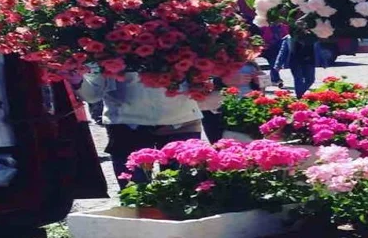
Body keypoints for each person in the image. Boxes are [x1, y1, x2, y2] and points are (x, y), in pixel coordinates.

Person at [67, 68, 203, 187]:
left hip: (182, 122)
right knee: (135, 193)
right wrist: (77, 80)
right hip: (127, 124)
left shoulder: (186, 41)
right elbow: (92, 95)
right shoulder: (106, 45)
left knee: (184, 190)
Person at [197, 63, 259, 143]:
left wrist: (260, 80)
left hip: (249, 111)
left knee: (251, 149)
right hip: (217, 113)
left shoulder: (250, 62)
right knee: (223, 149)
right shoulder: (208, 57)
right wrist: (222, 81)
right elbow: (195, 83)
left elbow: (260, 88)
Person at [260, 22, 289, 87]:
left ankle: (273, 79)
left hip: (278, 49)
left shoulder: (282, 27)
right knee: (273, 64)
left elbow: (286, 36)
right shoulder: (265, 27)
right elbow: (263, 37)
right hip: (268, 50)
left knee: (273, 64)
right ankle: (276, 80)